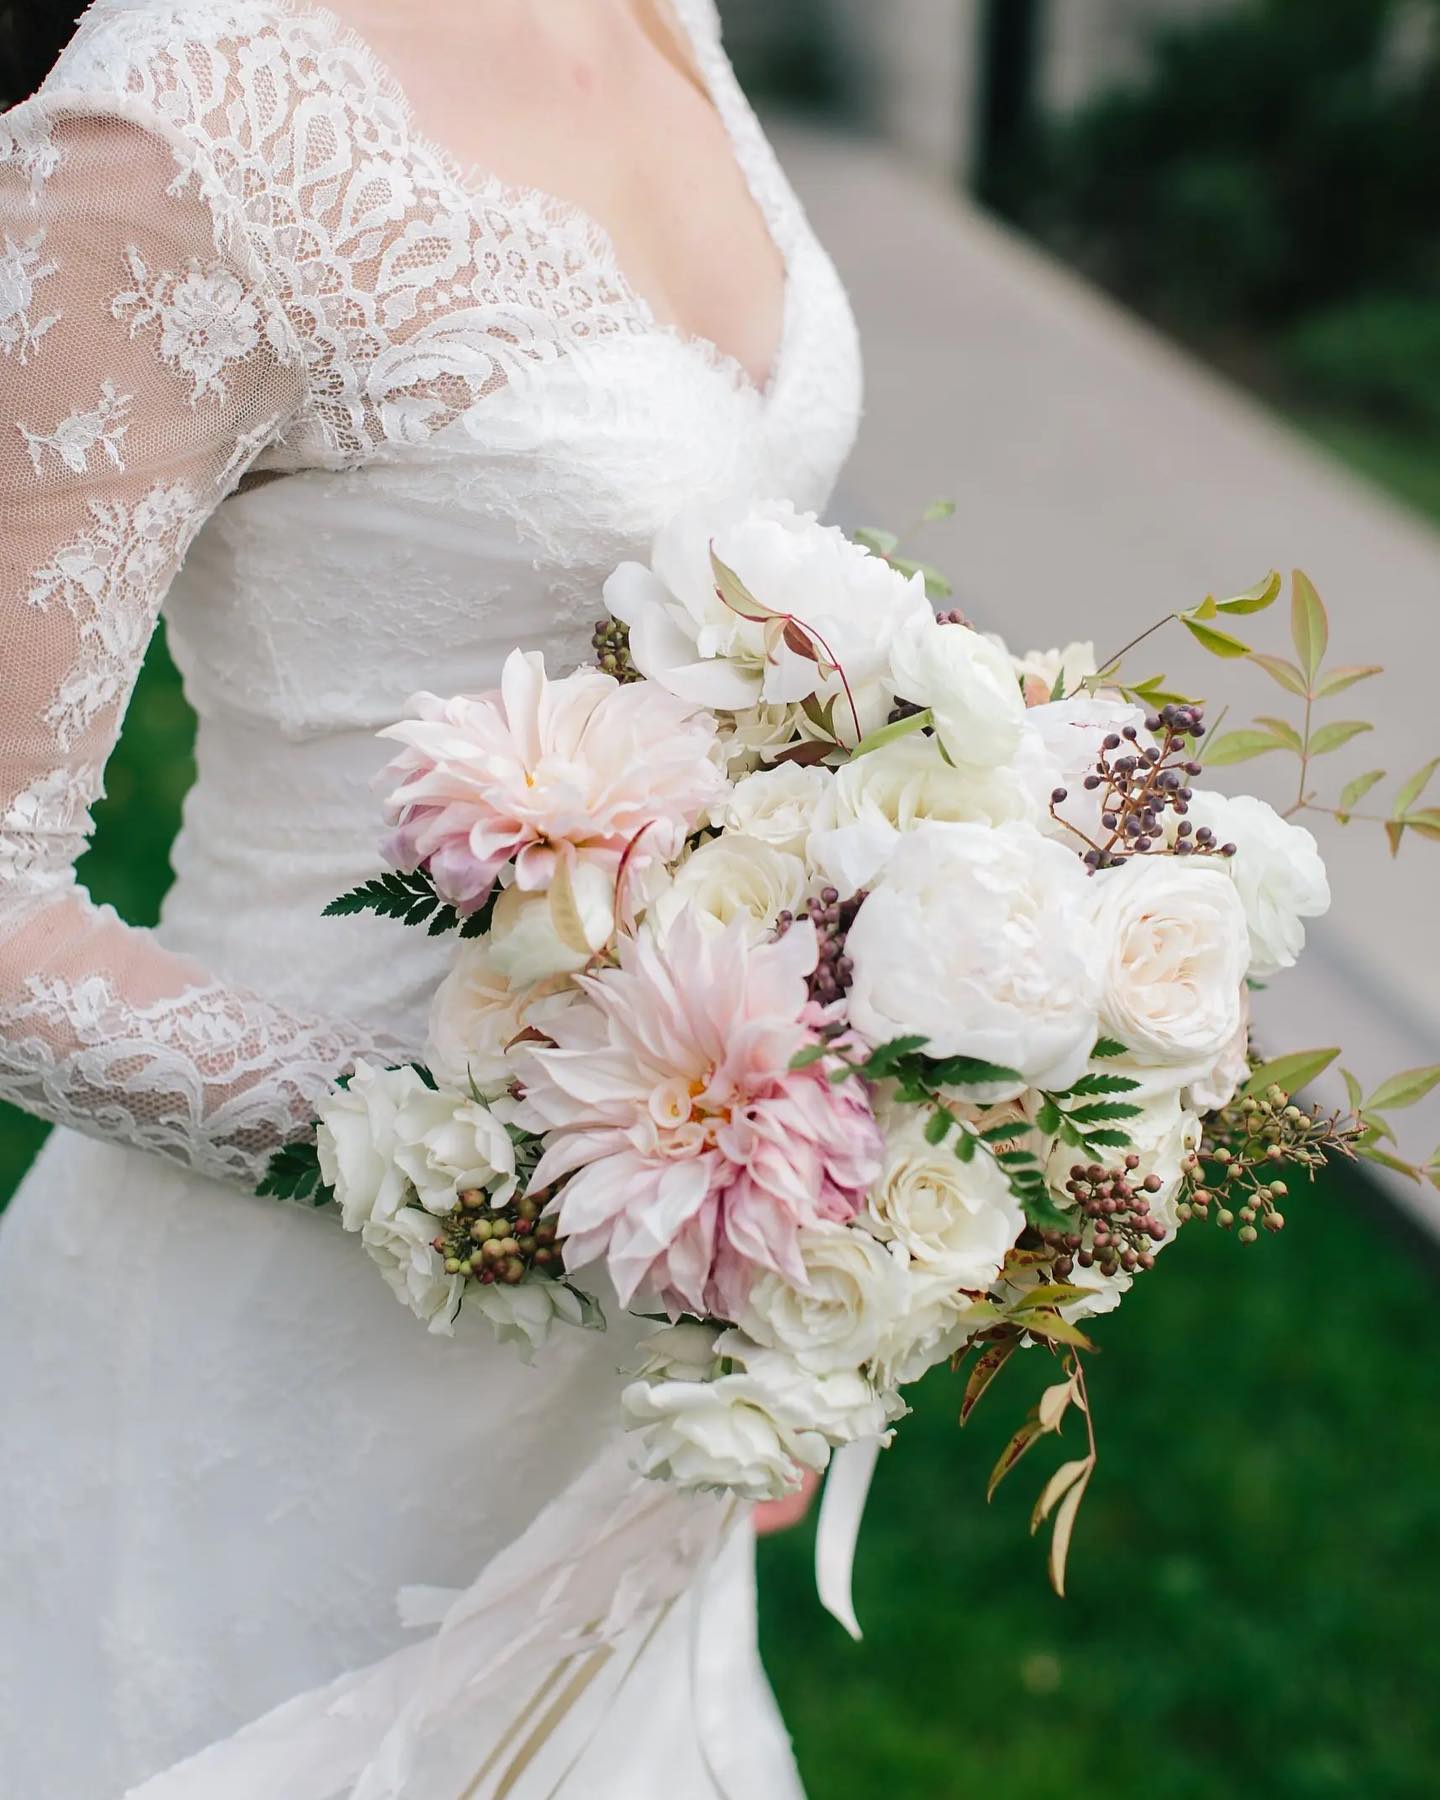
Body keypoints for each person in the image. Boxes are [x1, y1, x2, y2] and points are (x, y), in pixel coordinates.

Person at [0, 1, 860, 1793]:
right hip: (281, 1381)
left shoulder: (657, 12)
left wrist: (804, 1267)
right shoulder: (177, 132)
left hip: (648, 1352)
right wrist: (471, 1168)